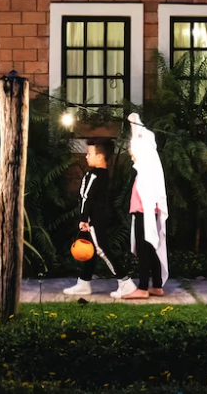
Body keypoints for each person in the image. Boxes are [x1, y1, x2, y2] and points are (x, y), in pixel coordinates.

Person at [63, 138, 134, 297]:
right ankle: (83, 283)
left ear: (100, 156)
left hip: (94, 220)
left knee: (101, 249)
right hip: (97, 217)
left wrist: (83, 219)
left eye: (89, 153)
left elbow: (86, 197)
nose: (86, 156)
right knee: (92, 249)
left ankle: (125, 282)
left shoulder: (94, 175)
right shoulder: (104, 175)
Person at [113, 113, 169, 299]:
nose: (130, 151)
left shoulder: (145, 169)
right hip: (144, 213)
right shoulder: (146, 169)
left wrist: (134, 122)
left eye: (132, 149)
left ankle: (143, 287)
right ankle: (157, 286)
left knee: (144, 251)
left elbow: (138, 138)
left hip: (143, 213)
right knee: (149, 248)